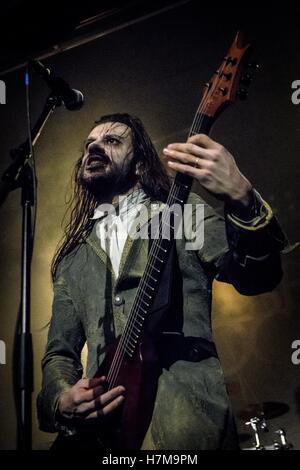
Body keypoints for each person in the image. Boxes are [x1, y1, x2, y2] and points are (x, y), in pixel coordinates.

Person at [37, 113, 287, 450]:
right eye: (89, 144)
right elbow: (60, 352)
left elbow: (256, 277)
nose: (95, 147)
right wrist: (60, 400)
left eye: (111, 141)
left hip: (184, 423)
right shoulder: (73, 258)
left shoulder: (184, 213)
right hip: (103, 431)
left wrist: (242, 198)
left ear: (140, 162)